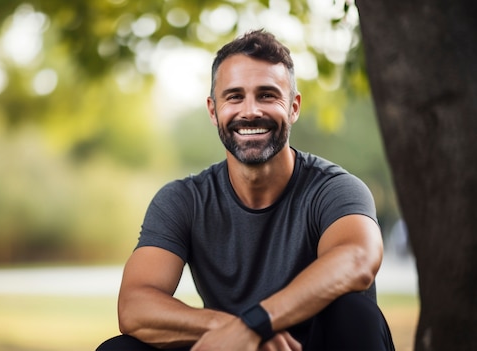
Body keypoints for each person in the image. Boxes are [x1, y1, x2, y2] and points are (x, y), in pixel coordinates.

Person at [97, 29, 394, 351]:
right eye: (234, 96)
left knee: (355, 313)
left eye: (267, 95)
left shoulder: (334, 189)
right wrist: (232, 330)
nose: (250, 111)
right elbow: (134, 307)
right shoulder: (184, 200)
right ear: (213, 111)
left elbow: (357, 260)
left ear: (293, 107)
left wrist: (258, 323)